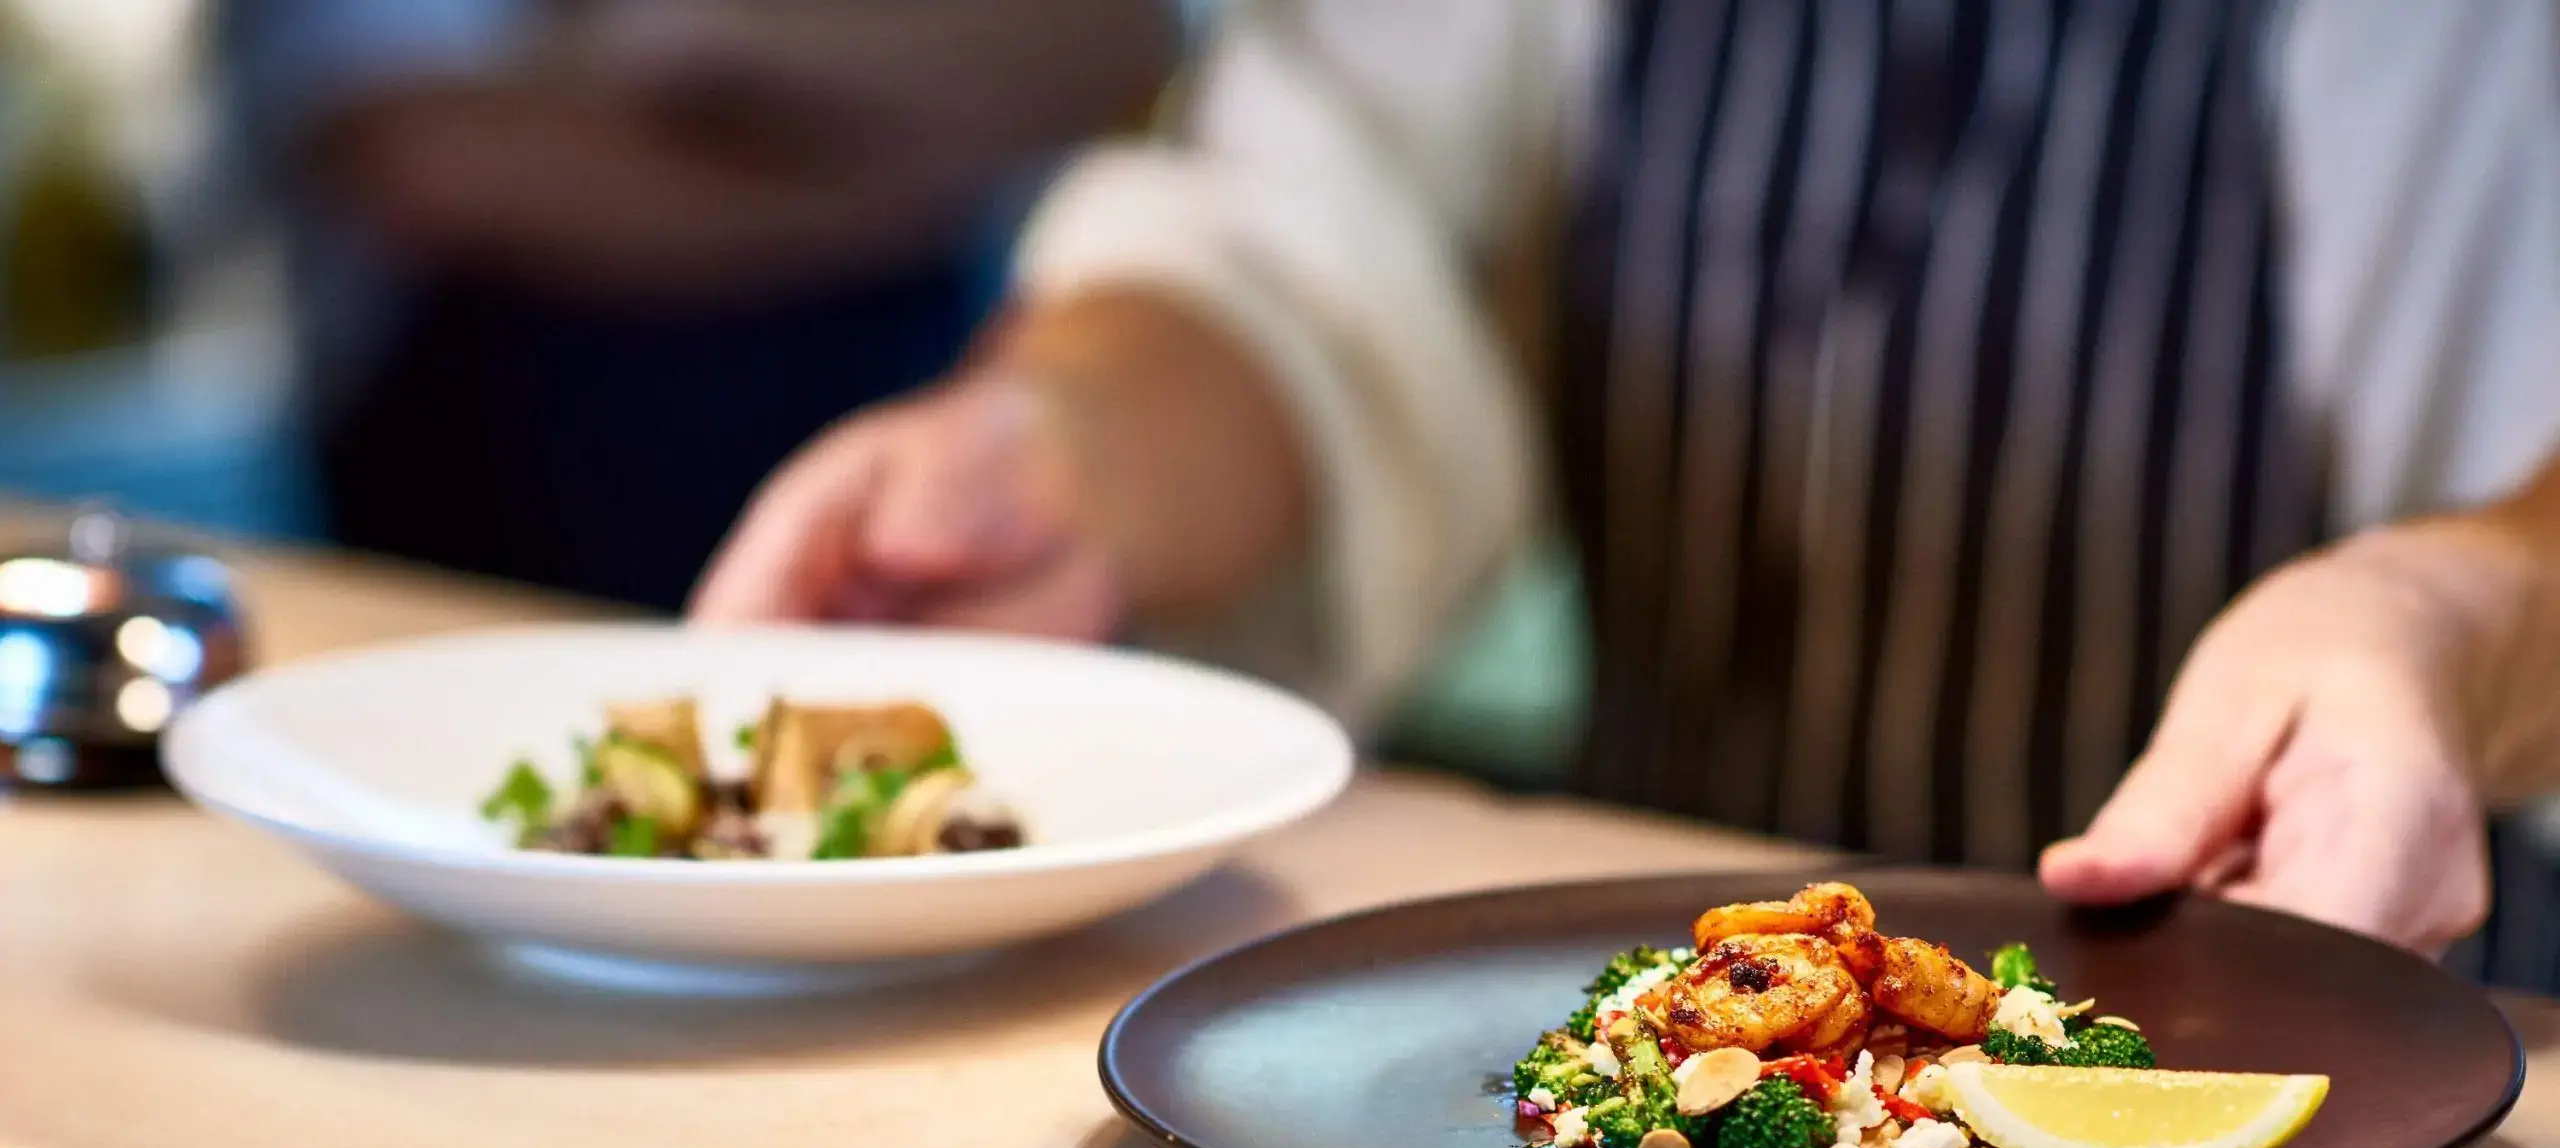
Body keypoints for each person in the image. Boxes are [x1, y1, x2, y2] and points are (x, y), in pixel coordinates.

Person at [689, 0, 2560, 962]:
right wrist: (1070, 438)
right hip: (1663, 1061)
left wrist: (2441, 613)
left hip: (2374, 1056)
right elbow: (1311, 254)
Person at [218, 0, 1178, 610]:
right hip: (500, 478)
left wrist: (683, 40)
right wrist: (892, 140)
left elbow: (1109, 41)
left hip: (916, 376)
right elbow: (441, 159)